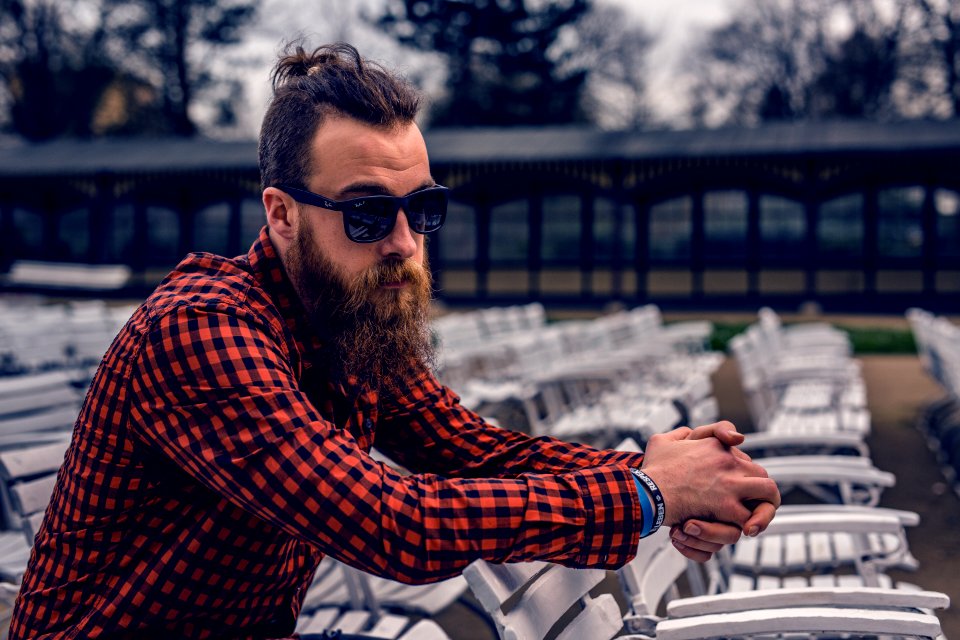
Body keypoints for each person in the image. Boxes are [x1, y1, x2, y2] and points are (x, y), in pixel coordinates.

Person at [10, 42, 779, 639]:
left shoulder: (352, 319)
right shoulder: (203, 328)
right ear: (280, 215)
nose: (404, 244)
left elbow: (475, 452)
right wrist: (650, 495)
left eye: (425, 210)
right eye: (368, 214)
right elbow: (393, 523)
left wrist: (671, 471)